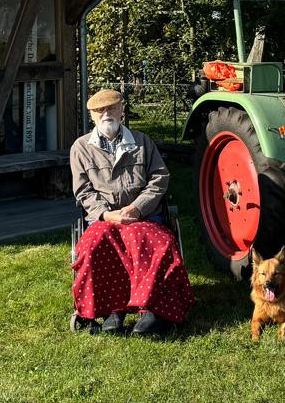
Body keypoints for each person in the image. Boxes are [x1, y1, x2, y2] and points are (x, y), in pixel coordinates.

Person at [69, 89, 193, 337]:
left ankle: (154, 311)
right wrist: (106, 215)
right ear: (92, 115)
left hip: (144, 216)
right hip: (104, 218)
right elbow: (83, 191)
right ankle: (112, 310)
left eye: (111, 108)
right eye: (100, 110)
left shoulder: (142, 141)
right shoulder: (81, 148)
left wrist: (138, 207)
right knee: (93, 246)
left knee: (155, 243)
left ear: (121, 110)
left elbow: (159, 178)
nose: (106, 114)